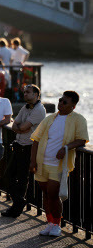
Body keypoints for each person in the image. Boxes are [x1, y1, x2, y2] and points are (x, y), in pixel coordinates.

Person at [29, 91, 88, 237]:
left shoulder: (78, 119)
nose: (60, 103)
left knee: (53, 194)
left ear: (73, 106)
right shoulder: (50, 118)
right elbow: (36, 139)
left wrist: (66, 148)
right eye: (60, 100)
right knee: (45, 194)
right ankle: (49, 223)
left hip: (59, 164)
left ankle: (57, 225)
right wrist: (32, 161)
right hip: (42, 162)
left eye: (65, 102)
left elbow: (82, 139)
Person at [1, 84, 46, 218]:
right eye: (24, 92)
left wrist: (21, 127)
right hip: (19, 145)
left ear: (36, 95)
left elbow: (23, 126)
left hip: (29, 148)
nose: (25, 94)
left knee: (21, 179)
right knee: (8, 176)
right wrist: (21, 128)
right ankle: (19, 202)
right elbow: (15, 125)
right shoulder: (24, 107)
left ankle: (16, 208)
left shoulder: (39, 110)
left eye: (28, 92)